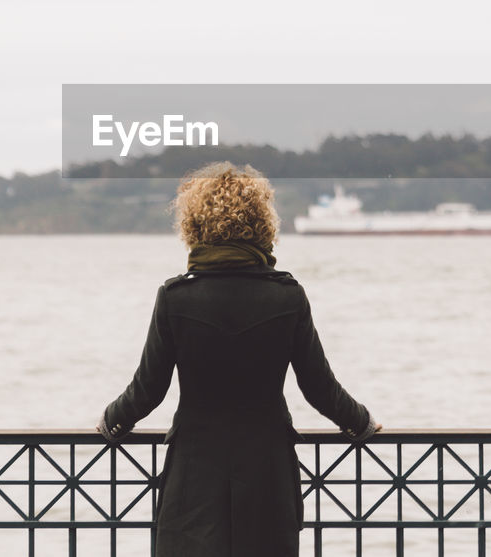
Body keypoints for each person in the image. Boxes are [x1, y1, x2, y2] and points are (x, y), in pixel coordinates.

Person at [97, 161, 379, 556]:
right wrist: (360, 422)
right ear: (262, 223)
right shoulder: (287, 296)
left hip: (193, 480)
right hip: (267, 475)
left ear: (195, 225)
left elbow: (148, 390)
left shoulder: (176, 298)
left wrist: (113, 421)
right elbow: (318, 388)